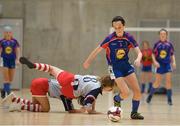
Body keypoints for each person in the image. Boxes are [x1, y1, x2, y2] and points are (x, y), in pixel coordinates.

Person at [83, 16, 144, 119]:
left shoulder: (128, 37)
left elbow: (139, 52)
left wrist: (138, 59)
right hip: (114, 68)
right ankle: (117, 99)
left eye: (119, 27)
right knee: (126, 92)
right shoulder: (110, 38)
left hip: (126, 65)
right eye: (115, 28)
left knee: (137, 92)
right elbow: (97, 50)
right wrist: (88, 61)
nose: (117, 30)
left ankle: (134, 113)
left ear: (124, 26)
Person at [19, 57, 115, 114]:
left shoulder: (96, 78)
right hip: (69, 90)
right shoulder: (97, 89)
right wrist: (93, 111)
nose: (111, 90)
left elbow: (92, 96)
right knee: (46, 107)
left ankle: (34, 65)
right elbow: (88, 107)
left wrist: (91, 107)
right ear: (106, 86)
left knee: (51, 69)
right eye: (111, 89)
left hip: (69, 77)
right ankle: (19, 104)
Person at [1, 78, 84, 113]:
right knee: (46, 109)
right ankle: (18, 104)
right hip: (41, 85)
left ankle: (14, 100)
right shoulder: (69, 94)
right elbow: (70, 110)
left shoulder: (71, 87)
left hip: (39, 82)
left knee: (35, 106)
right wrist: (81, 111)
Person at [146, 29, 176, 105]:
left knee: (168, 82)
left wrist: (174, 62)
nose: (163, 35)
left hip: (167, 64)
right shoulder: (157, 44)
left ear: (166, 35)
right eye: (161, 34)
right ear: (159, 35)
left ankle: (169, 100)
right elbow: (153, 54)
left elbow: (172, 54)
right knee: (157, 82)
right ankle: (150, 96)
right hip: (160, 65)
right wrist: (155, 62)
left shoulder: (169, 44)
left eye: (164, 34)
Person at [0, 26, 20, 98]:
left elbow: (17, 50)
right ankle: (9, 95)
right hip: (4, 60)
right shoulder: (2, 41)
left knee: (10, 79)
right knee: (6, 79)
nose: (8, 34)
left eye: (9, 32)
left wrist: (17, 59)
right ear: (4, 33)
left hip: (12, 61)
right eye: (6, 32)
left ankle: (3, 90)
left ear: (11, 33)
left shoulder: (14, 41)